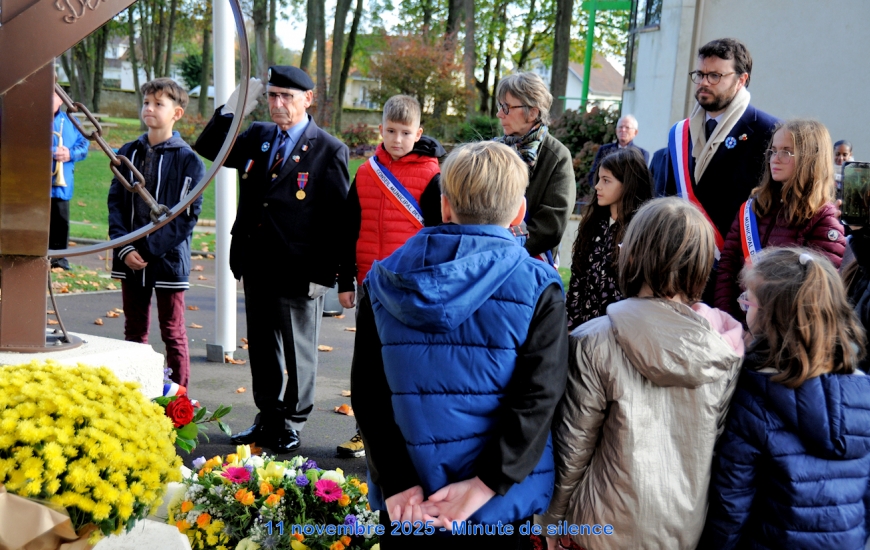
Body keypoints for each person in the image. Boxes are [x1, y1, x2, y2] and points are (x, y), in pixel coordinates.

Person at [352, 141, 569, 549]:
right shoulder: (538, 285)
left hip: (409, 504)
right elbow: (539, 396)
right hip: (497, 506)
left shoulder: (382, 279)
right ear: (520, 212)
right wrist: (488, 483)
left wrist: (397, 481)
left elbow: (368, 391)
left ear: (445, 206)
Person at [543, 197, 744, 550]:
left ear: (632, 256)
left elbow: (573, 446)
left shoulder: (592, 342)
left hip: (600, 530)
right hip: (682, 530)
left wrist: (550, 521)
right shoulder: (725, 350)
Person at [194, 67, 350, 454]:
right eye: (273, 96)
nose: (278, 105)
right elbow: (211, 147)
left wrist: (328, 273)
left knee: (299, 350)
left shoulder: (329, 150)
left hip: (300, 268)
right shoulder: (259, 136)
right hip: (257, 261)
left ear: (308, 100)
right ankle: (268, 416)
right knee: (262, 347)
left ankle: (293, 421)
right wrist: (235, 106)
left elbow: (338, 220)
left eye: (288, 97)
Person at [700, 248, 870, 549]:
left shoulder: (754, 397)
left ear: (771, 318)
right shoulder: (864, 395)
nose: (744, 309)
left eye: (748, 301)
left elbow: (732, 504)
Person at [334, 94, 445, 459]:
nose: (397, 139)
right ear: (380, 129)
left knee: (408, 364)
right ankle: (363, 431)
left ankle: (409, 438)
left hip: (411, 288)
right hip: (370, 284)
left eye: (406, 132)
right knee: (366, 365)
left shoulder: (433, 175)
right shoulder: (366, 172)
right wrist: (345, 279)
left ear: (419, 133)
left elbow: (439, 232)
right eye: (391, 131)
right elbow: (348, 227)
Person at [108, 78, 205, 388]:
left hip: (167, 261)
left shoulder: (189, 160)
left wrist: (148, 250)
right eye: (146, 103)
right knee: (133, 331)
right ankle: (135, 393)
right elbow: (115, 203)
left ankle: (178, 400)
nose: (149, 109)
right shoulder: (127, 153)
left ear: (176, 113)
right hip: (128, 256)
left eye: (158, 104)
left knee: (172, 331)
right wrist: (125, 248)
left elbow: (186, 217)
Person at [665, 38, 778, 300]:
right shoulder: (680, 133)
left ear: (741, 79)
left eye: (715, 75)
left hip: (733, 274)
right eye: (700, 74)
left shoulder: (768, 132)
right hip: (680, 269)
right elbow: (669, 197)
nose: (704, 82)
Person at [714, 119, 846, 321]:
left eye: (786, 151)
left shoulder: (823, 218)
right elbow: (727, 269)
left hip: (782, 337)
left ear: (810, 158)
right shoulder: (754, 207)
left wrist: (762, 333)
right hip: (736, 329)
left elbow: (814, 292)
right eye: (773, 150)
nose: (775, 158)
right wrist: (729, 322)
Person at [493, 72, 576, 266]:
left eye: (506, 107)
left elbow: (551, 226)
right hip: (489, 257)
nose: (499, 114)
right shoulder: (493, 150)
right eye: (499, 106)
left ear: (533, 112)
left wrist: (504, 249)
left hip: (529, 265)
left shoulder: (557, 156)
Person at [566, 147, 652, 330]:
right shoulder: (593, 226)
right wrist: (570, 326)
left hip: (622, 334)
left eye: (606, 181)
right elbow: (577, 280)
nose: (597, 186)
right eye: (599, 179)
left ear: (628, 184)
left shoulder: (641, 233)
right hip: (583, 331)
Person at [50, 91, 89, 270]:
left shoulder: (71, 122)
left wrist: (69, 154)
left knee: (61, 220)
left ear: (61, 100)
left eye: (53, 96)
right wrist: (51, 151)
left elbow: (84, 146)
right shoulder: (31, 119)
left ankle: (58, 258)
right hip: (36, 184)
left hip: (61, 183)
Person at [586, 114, 650, 189]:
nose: (623, 130)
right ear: (616, 131)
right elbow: (593, 175)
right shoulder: (604, 150)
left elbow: (641, 180)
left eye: (627, 127)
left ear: (635, 132)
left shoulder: (641, 153)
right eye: (620, 127)